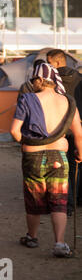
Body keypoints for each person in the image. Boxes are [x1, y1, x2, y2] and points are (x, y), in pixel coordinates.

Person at [10, 62, 82, 258]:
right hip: (59, 156)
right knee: (59, 200)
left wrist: (28, 144)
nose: (32, 84)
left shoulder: (27, 99)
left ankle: (32, 237)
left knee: (34, 198)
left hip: (33, 156)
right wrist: (80, 154)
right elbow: (78, 132)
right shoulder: (68, 101)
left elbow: (14, 131)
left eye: (34, 80)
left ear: (42, 80)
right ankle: (59, 243)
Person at [47, 49, 82, 217]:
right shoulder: (79, 78)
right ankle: (77, 200)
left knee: (62, 167)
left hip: (60, 128)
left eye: (49, 62)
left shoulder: (52, 80)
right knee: (78, 164)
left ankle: (67, 204)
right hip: (79, 126)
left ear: (58, 62)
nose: (48, 65)